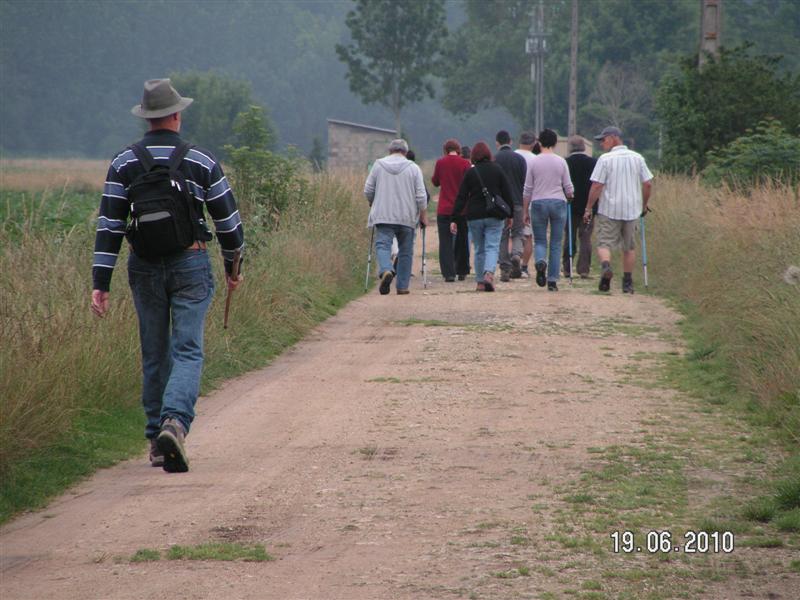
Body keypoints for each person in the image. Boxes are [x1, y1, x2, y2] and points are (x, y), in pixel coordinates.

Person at [90, 78, 245, 473]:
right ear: (176, 115)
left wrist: (100, 283)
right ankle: (174, 423)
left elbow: (109, 226)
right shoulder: (202, 160)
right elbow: (228, 223)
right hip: (190, 262)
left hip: (143, 266)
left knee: (154, 352)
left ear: (147, 118)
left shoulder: (123, 163)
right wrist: (232, 266)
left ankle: (155, 443)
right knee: (187, 350)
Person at [584, 126, 653, 294]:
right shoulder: (638, 158)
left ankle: (606, 266)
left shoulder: (605, 159)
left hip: (609, 209)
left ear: (614, 138)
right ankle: (627, 282)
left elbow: (597, 185)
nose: (601, 144)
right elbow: (647, 183)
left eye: (603, 139)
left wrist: (588, 207)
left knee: (604, 243)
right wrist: (643, 205)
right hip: (631, 210)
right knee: (628, 247)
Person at [364, 138, 428, 295]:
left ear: (389, 151)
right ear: (405, 152)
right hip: (406, 216)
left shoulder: (378, 165)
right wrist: (423, 215)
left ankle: (386, 269)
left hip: (383, 215)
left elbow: (368, 190)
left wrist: (373, 203)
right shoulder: (414, 168)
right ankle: (402, 286)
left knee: (383, 245)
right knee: (406, 251)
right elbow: (421, 196)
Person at [451, 142, 512, 292]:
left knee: (479, 249)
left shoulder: (471, 172)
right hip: (494, 215)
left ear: (473, 156)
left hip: (474, 216)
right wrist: (510, 214)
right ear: (488, 154)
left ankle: (479, 282)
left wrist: (454, 217)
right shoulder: (497, 170)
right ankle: (489, 274)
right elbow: (507, 193)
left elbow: (461, 196)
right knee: (492, 246)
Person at [522, 128, 574, 291]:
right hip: (558, 202)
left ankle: (539, 262)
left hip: (538, 203)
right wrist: (570, 196)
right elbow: (568, 187)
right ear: (555, 143)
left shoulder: (533, 162)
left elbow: (527, 189)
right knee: (556, 243)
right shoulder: (561, 161)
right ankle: (552, 280)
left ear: (539, 142)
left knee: (540, 240)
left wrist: (525, 211)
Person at [431, 138, 471, 282]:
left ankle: (448, 273)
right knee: (462, 239)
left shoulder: (440, 163)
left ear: (445, 150)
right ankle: (462, 270)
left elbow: (435, 182)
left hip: (444, 208)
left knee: (445, 241)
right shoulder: (465, 163)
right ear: (458, 149)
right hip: (462, 208)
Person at [494, 130, 527, 282]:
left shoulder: (495, 159)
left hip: (501, 204)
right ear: (511, 142)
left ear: (497, 143)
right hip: (518, 202)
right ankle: (516, 254)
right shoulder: (520, 159)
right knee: (518, 232)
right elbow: (525, 183)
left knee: (503, 235)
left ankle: (505, 269)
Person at [563, 135, 598, 279]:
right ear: (584, 147)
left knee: (569, 236)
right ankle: (584, 269)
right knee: (585, 237)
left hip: (570, 205)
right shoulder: (593, 163)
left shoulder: (565, 162)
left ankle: (567, 268)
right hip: (588, 206)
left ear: (570, 147)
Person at [515, 131, 539, 278]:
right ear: (533, 144)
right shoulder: (535, 159)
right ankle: (524, 267)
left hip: (512, 201)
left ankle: (512, 261)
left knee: (513, 235)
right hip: (530, 201)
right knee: (528, 236)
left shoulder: (512, 155)